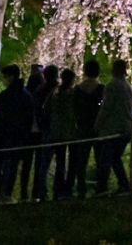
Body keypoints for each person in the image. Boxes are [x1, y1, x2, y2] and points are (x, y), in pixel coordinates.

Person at [0, 66, 34, 201]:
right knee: (13, 166)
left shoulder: (4, 96)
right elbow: (29, 119)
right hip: (19, 138)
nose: (4, 80)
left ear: (11, 77)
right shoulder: (26, 96)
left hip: (3, 137)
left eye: (5, 77)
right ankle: (7, 193)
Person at [94, 59, 132, 195]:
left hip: (113, 128)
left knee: (106, 157)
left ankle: (102, 187)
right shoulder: (128, 86)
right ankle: (123, 184)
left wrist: (98, 124)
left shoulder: (112, 86)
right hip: (126, 127)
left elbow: (106, 107)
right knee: (114, 157)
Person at [66, 63, 102, 198]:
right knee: (100, 158)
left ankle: (81, 187)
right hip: (98, 128)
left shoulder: (78, 89)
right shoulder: (101, 89)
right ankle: (100, 186)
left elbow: (73, 108)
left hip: (82, 127)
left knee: (81, 159)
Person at [29, 65, 60, 201]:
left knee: (43, 163)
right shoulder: (60, 89)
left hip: (44, 129)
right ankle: (58, 191)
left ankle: (40, 191)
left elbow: (36, 110)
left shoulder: (39, 90)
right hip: (57, 129)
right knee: (60, 161)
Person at [48, 68, 80, 198]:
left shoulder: (55, 93)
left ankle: (58, 187)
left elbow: (47, 109)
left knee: (60, 161)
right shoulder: (73, 94)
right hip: (71, 130)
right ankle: (68, 187)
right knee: (73, 161)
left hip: (57, 131)